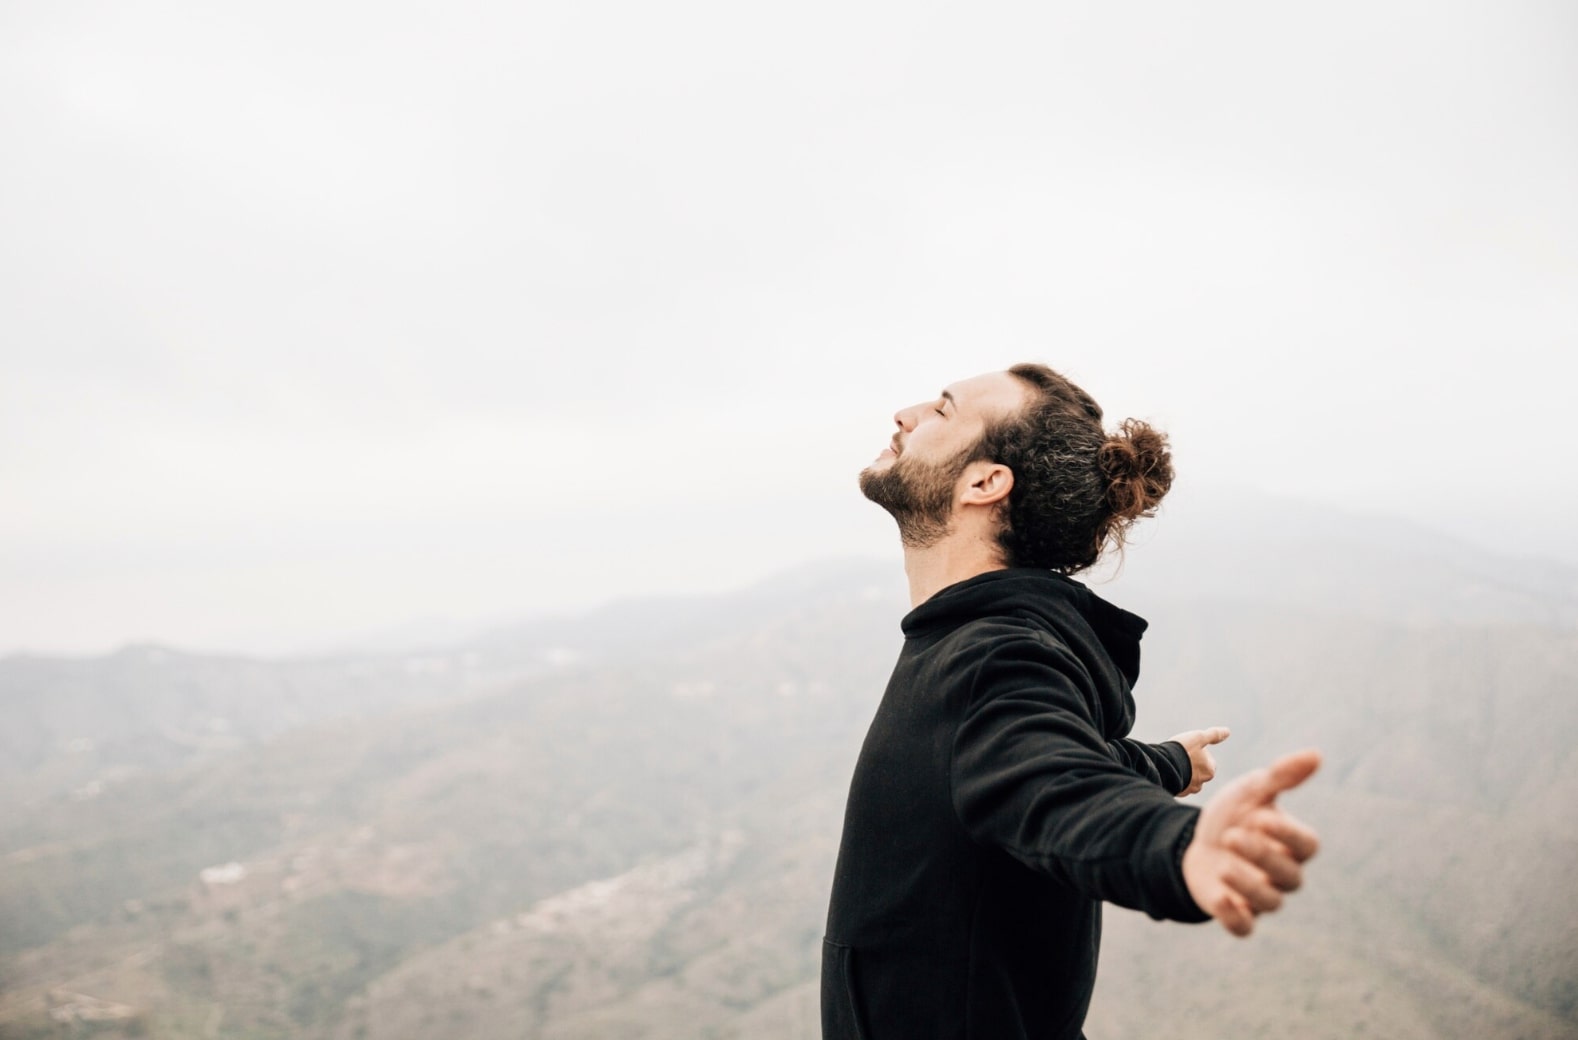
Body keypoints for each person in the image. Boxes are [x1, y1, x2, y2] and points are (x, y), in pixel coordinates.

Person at [822, 364, 1321, 1040]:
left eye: (942, 409)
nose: (905, 413)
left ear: (985, 482)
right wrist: (1165, 764)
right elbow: (1018, 761)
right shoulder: (993, 644)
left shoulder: (990, 658)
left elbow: (1055, 786)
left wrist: (1180, 849)